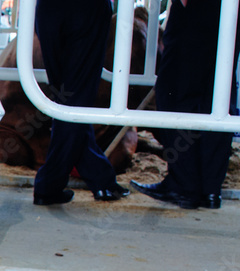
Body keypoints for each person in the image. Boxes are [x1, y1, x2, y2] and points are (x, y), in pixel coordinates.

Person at [131, 0, 239, 209]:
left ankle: (183, 186)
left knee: (174, 91)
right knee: (217, 92)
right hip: (231, 9)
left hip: (199, 10)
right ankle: (210, 189)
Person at [33, 0, 129, 205]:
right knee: (76, 97)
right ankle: (49, 185)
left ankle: (100, 178)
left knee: (66, 98)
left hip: (49, 10)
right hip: (86, 10)